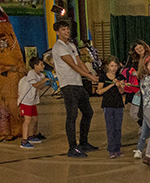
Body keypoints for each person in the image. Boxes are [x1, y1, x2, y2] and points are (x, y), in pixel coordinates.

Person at [51, 20, 99, 158]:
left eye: (67, 29)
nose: (66, 31)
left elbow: (79, 62)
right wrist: (88, 76)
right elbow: (72, 65)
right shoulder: (58, 47)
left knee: (88, 112)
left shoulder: (71, 45)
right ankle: (72, 147)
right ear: (57, 32)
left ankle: (83, 142)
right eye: (63, 29)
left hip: (78, 83)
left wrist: (90, 75)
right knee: (72, 116)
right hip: (68, 85)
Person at [95, 56, 125, 159]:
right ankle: (111, 150)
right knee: (110, 128)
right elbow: (99, 91)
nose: (114, 68)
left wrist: (120, 85)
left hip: (118, 105)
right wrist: (111, 85)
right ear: (107, 66)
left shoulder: (120, 77)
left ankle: (118, 149)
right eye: (112, 66)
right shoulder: (103, 76)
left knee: (118, 128)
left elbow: (122, 92)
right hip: (108, 105)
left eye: (116, 66)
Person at [17, 56, 49, 149]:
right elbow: (35, 85)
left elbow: (39, 87)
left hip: (32, 100)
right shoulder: (31, 73)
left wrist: (45, 82)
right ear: (35, 66)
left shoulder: (40, 75)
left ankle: (31, 136)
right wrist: (43, 81)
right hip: (26, 100)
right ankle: (24, 141)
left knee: (34, 119)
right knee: (27, 120)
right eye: (41, 64)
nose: (43, 66)